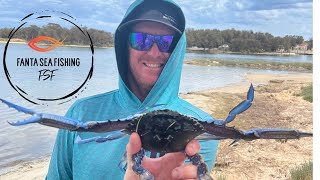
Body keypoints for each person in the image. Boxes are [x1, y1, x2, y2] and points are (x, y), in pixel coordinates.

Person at [46, 0, 219, 179]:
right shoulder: (81, 115)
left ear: (177, 50)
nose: (153, 52)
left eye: (166, 42)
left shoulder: (200, 128)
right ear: (124, 46)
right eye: (140, 40)